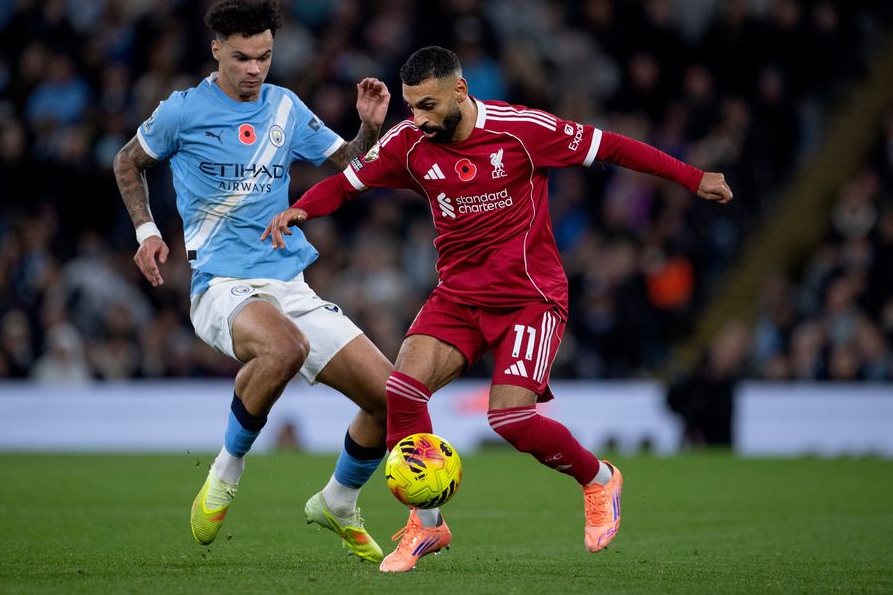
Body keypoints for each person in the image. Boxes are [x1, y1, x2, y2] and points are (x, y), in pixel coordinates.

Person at [264, 46, 733, 572]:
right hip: (458, 296)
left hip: (529, 297)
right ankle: (427, 527)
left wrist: (695, 178)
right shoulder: (408, 142)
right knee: (401, 389)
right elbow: (347, 184)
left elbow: (613, 148)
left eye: (428, 106)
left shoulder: (521, 130)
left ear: (460, 92)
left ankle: (599, 480)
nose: (417, 119)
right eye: (411, 107)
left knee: (510, 418)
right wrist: (303, 207)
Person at [112, 0, 394, 562]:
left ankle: (338, 501)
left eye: (263, 57)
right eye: (242, 58)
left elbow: (351, 167)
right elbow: (127, 162)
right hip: (220, 285)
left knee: (391, 399)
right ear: (216, 50)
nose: (254, 70)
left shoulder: (286, 107)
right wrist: (146, 232)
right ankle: (226, 470)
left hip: (291, 284)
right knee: (285, 348)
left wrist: (368, 130)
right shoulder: (182, 111)